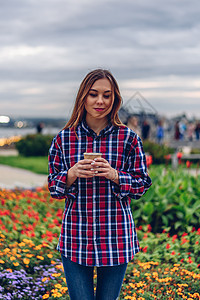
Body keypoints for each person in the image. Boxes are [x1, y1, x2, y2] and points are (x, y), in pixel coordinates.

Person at [48, 69, 152, 300]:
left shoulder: (128, 138)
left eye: (107, 95)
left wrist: (115, 175)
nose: (100, 101)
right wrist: (71, 174)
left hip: (116, 236)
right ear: (83, 97)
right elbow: (53, 187)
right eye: (93, 94)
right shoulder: (64, 139)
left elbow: (142, 184)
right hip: (76, 236)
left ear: (114, 99)